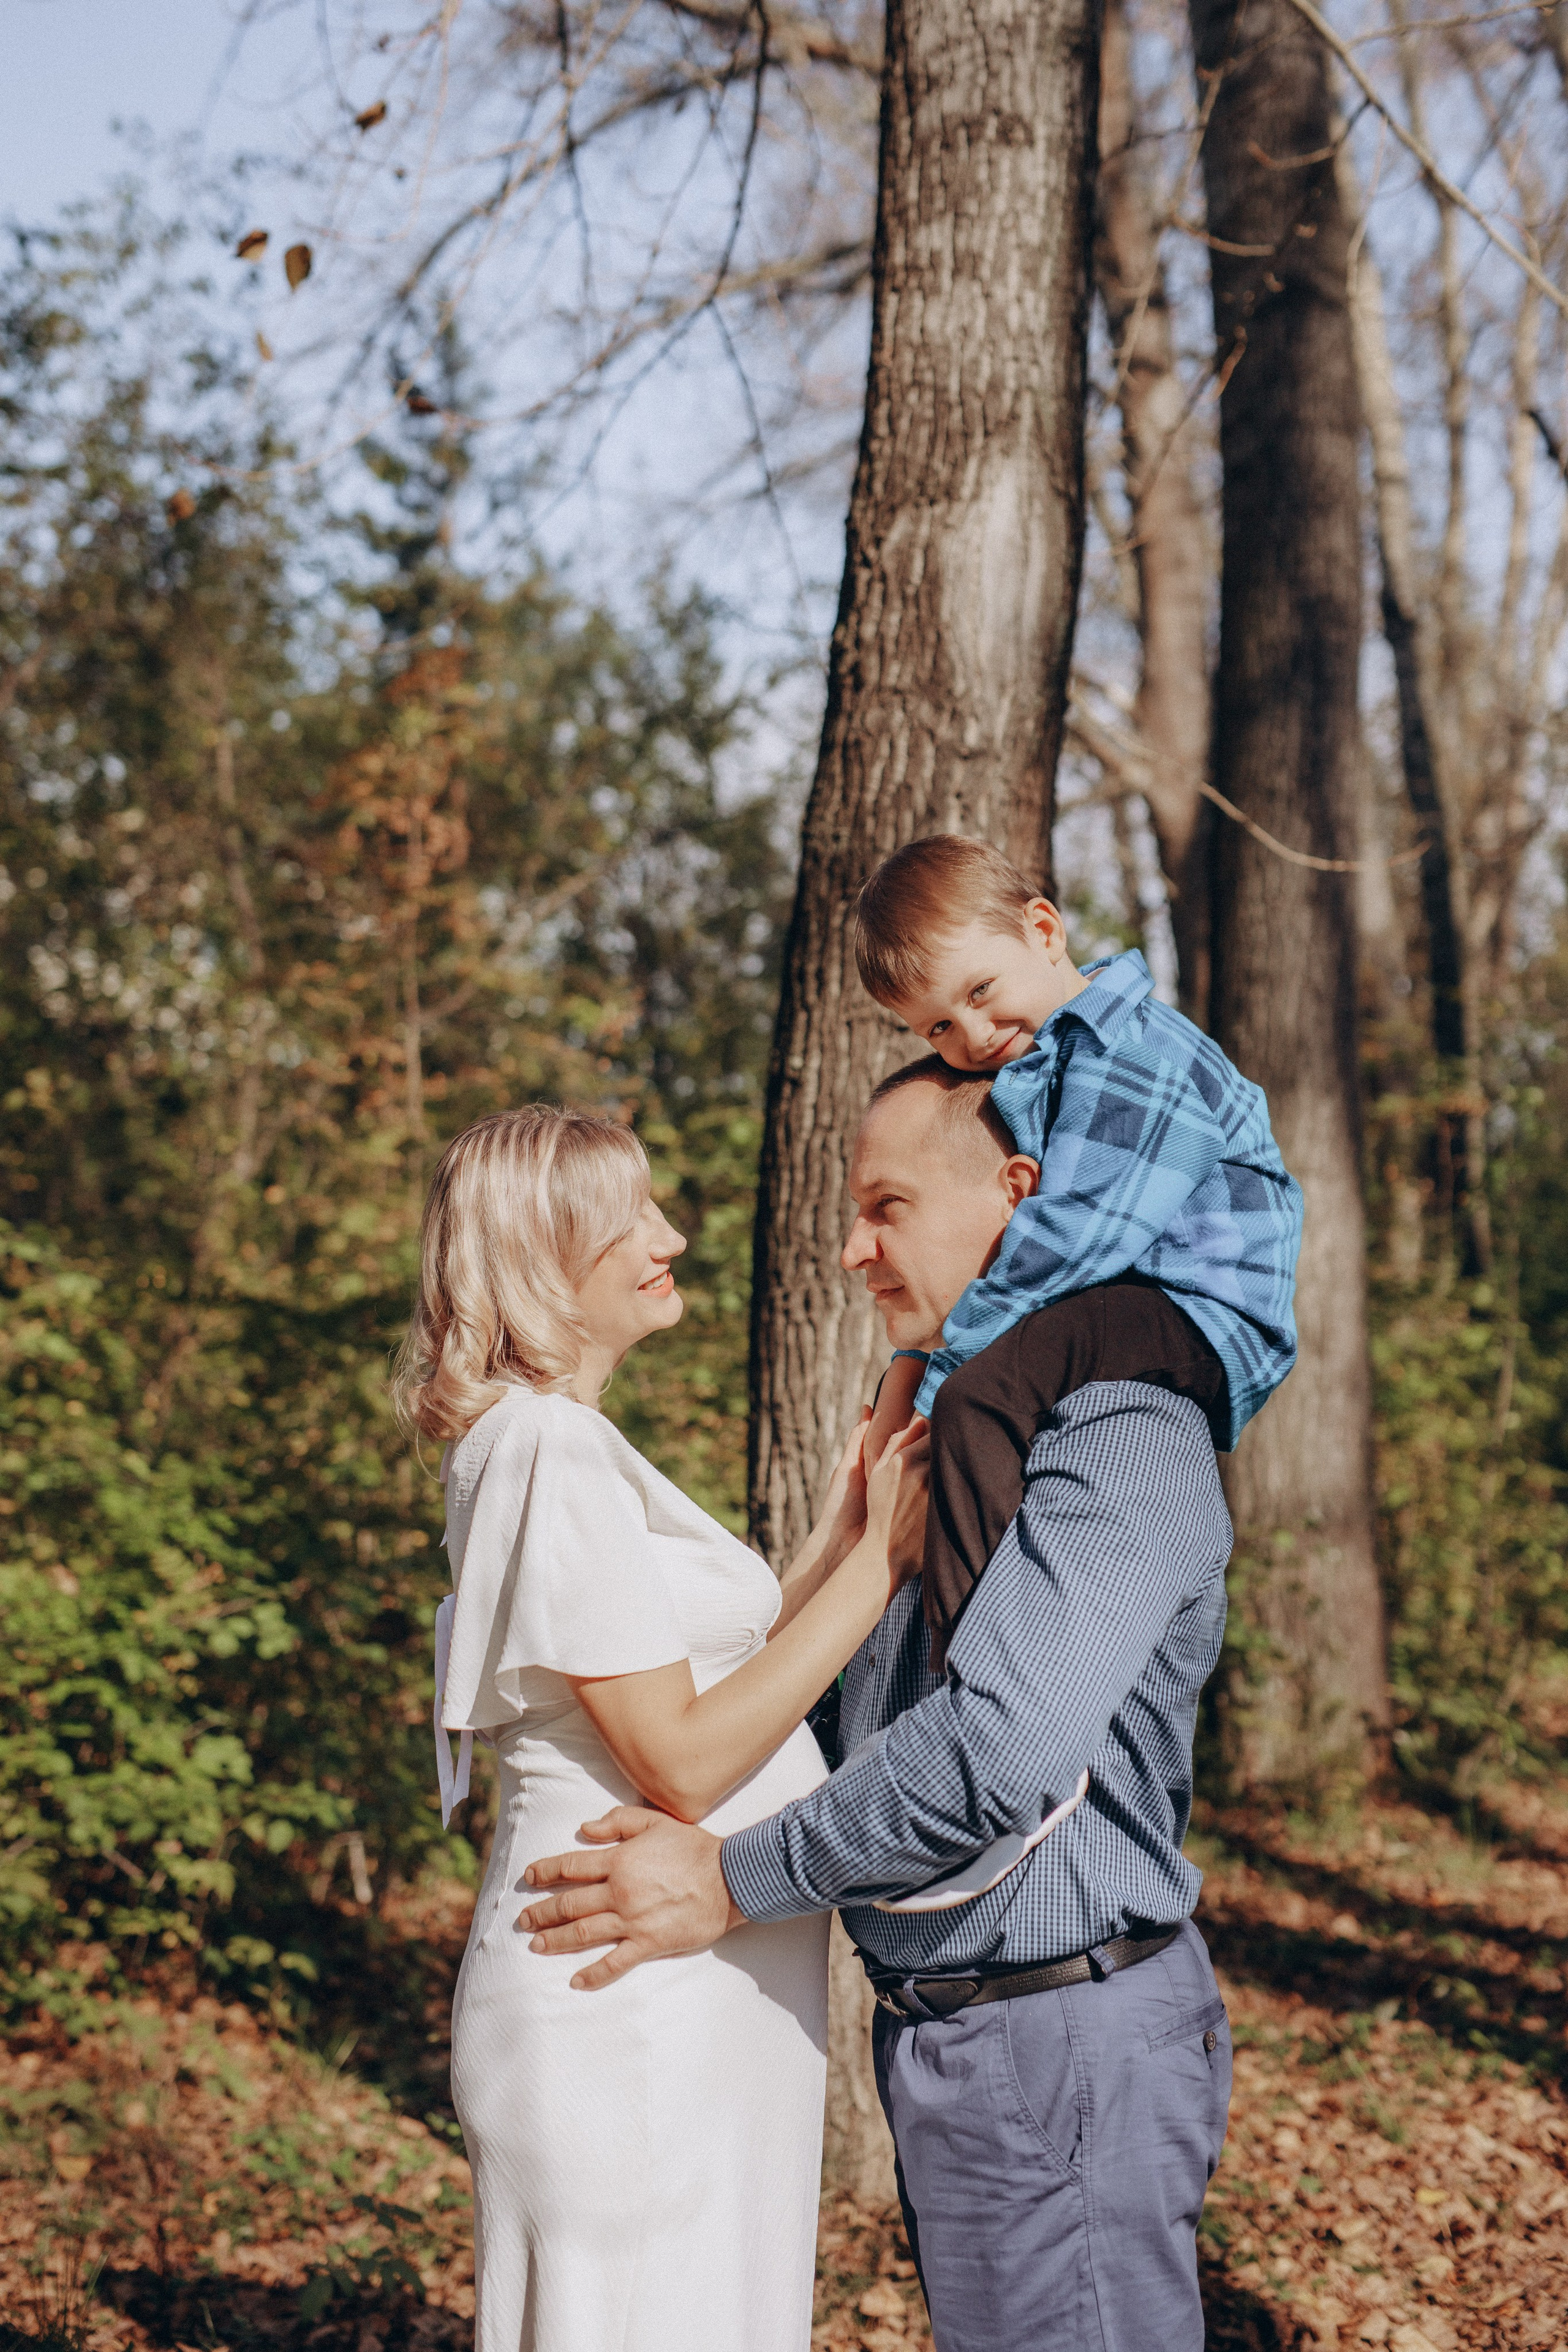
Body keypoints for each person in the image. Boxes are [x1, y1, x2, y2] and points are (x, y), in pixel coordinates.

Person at [519, 1064, 1240, 2352]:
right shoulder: (967, 1437)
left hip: (1055, 2032)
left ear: (1014, 1194)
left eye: (886, 1206)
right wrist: (852, 1544)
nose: (850, 1250)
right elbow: (848, 1729)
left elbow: (994, 1757)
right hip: (959, 2044)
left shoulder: (1116, 1432)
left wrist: (728, 1883)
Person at [396, 1104, 929, 2352]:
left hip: (686, 2000)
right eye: (628, 1216)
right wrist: (878, 1571)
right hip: (625, 2005)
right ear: (541, 1256)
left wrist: (850, 1519)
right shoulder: (543, 1450)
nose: (667, 1234)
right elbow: (679, 1760)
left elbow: (717, 1663)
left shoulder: (565, 1445)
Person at [855, 835, 1302, 1664]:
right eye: (939, 1026)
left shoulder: (1131, 1052)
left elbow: (1069, 1241)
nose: (975, 1033)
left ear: (1045, 931)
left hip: (1202, 1307)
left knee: (981, 1397)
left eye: (982, 991)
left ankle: (969, 1653)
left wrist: (942, 1380)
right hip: (1136, 1294)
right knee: (976, 1383)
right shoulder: (1054, 1053)